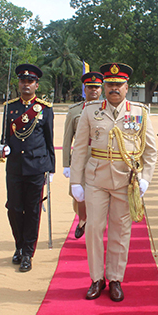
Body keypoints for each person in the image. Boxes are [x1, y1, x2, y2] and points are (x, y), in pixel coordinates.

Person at [70, 63, 157, 302]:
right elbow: (79, 149)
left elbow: (150, 150)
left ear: (127, 87)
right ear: (104, 86)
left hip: (126, 179)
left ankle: (115, 278)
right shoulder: (90, 111)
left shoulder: (139, 112)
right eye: (110, 85)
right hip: (96, 178)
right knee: (94, 229)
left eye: (119, 85)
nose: (114, 89)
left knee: (121, 232)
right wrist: (75, 181)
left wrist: (146, 178)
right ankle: (97, 278)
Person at [0, 64, 54, 273]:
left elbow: (49, 140)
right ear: (18, 83)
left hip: (36, 166)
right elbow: (5, 137)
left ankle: (28, 252)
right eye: (23, 81)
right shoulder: (9, 107)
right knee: (14, 208)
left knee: (33, 210)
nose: (26, 85)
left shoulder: (45, 109)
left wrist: (51, 168)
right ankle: (18, 244)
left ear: (37, 85)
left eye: (30, 81)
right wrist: (1, 148)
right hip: (15, 166)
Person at [62, 71, 103, 238]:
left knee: (101, 194)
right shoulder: (75, 111)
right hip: (81, 158)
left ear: (101, 89)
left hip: (101, 157)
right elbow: (67, 139)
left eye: (96, 87)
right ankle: (83, 219)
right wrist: (66, 164)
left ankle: (94, 224)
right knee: (79, 196)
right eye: (90, 87)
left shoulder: (107, 109)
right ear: (84, 89)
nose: (93, 90)